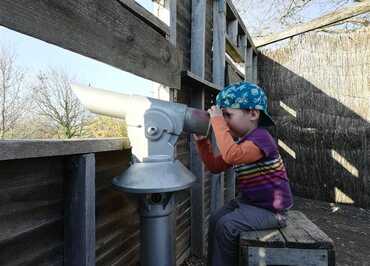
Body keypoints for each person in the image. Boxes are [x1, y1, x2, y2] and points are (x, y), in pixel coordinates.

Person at [193, 81, 293, 266]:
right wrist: (202, 143)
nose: (224, 122)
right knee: (216, 218)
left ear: (253, 114)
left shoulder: (262, 139)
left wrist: (216, 120)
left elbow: (231, 155)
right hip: (249, 203)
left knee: (226, 225)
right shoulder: (240, 144)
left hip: (272, 211)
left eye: (227, 115)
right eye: (222, 117)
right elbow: (215, 166)